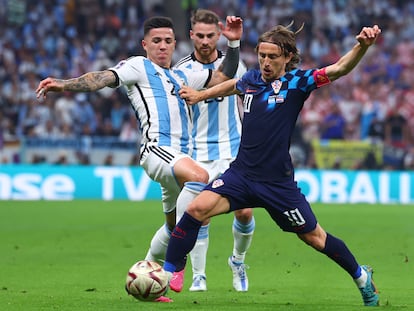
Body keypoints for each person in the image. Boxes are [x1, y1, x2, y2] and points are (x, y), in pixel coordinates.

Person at [164, 23, 382, 306]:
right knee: (195, 209)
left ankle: (361, 276)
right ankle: (169, 273)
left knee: (315, 238)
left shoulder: (298, 83)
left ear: (288, 57)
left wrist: (362, 47)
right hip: (240, 175)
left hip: (277, 184)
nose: (266, 62)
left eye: (273, 57)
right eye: (262, 55)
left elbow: (338, 69)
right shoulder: (252, 78)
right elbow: (235, 84)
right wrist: (200, 95)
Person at [36, 15, 243, 302]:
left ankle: (146, 278)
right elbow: (102, 78)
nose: (163, 47)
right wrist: (64, 84)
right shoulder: (138, 66)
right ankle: (176, 263)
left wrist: (233, 42)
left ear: (175, 44)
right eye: (156, 41)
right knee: (201, 178)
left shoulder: (184, 76)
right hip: (158, 150)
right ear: (145, 44)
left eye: (168, 41)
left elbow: (223, 77)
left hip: (181, 157)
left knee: (173, 228)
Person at [174, 9, 255, 292]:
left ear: (218, 34)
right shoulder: (181, 71)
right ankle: (199, 274)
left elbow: (240, 91)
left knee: (244, 212)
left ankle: (238, 261)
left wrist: (234, 47)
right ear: (191, 36)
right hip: (199, 152)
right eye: (200, 36)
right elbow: (221, 81)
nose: (206, 41)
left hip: (234, 150)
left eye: (211, 36)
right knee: (201, 213)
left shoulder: (238, 65)